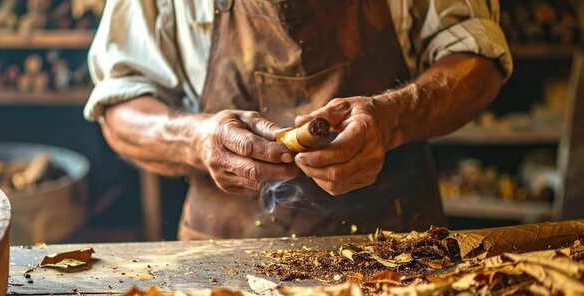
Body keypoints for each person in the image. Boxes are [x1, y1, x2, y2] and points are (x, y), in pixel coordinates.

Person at [85, 0, 513, 240]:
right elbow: (120, 108)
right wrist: (196, 139)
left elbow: (479, 61)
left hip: (398, 243)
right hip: (221, 254)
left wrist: (392, 117)